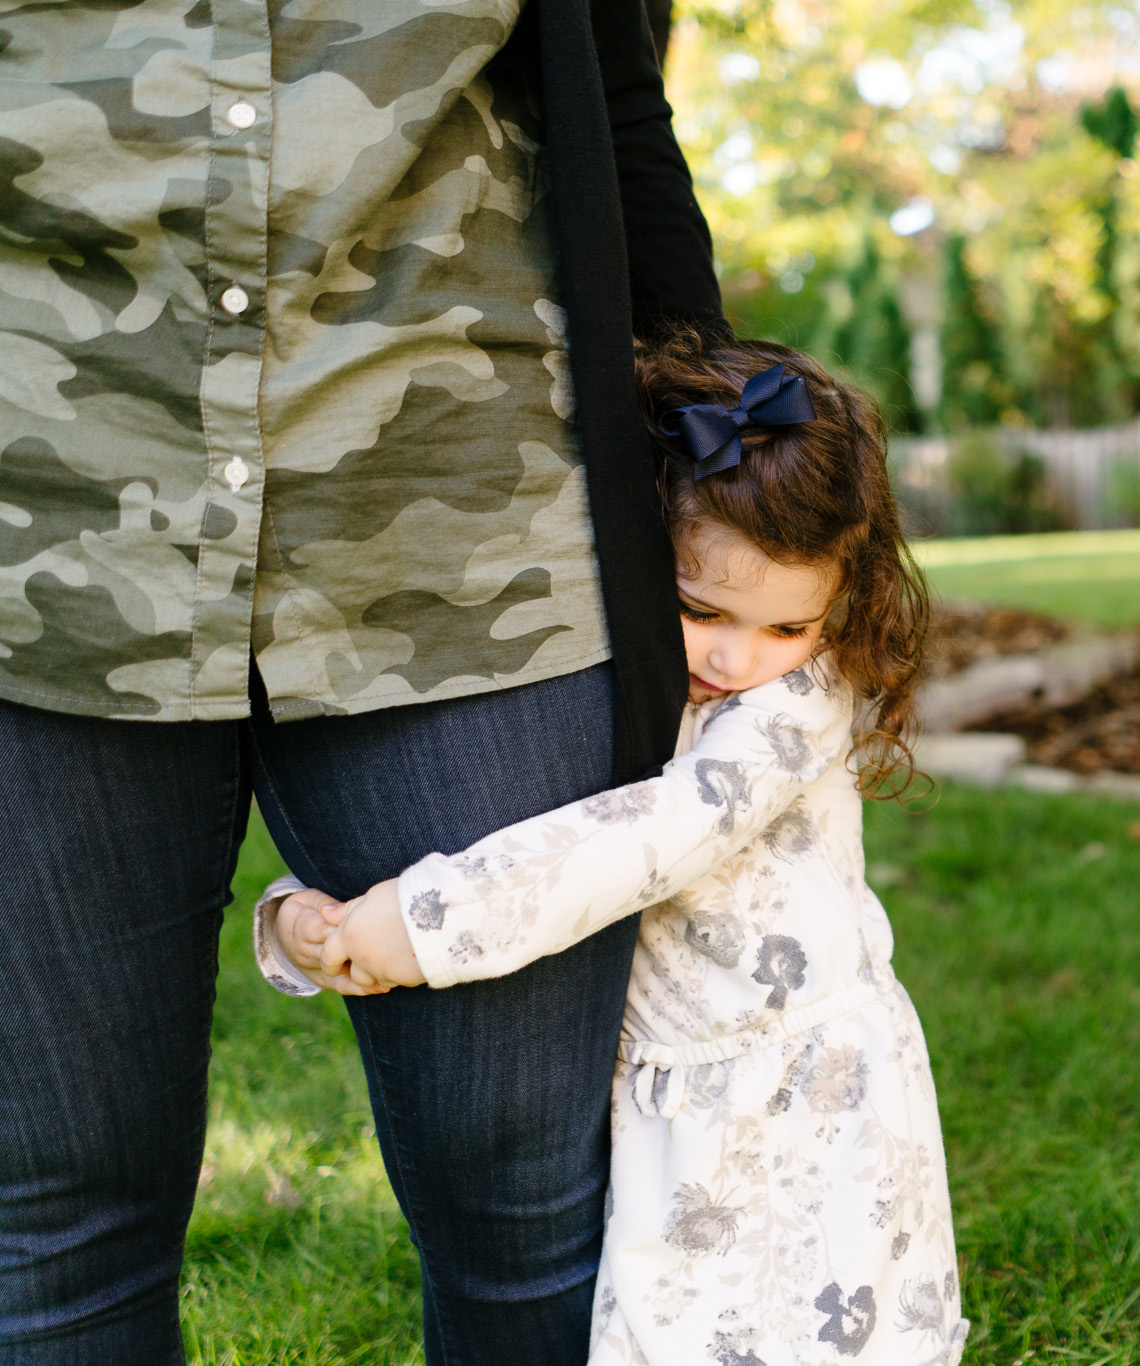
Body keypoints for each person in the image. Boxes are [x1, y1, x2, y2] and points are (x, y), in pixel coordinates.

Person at [0, 0, 721, 1359]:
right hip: (36, 534)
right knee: (54, 1230)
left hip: (474, 536)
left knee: (530, 1219)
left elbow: (617, 96)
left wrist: (731, 480)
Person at [263, 332, 970, 1365]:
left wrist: (426, 924)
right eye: (701, 610)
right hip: (670, 1106)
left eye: (788, 625)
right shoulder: (608, 678)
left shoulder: (793, 708)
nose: (739, 658)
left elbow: (646, 836)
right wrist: (312, 920)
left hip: (804, 1098)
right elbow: (509, 821)